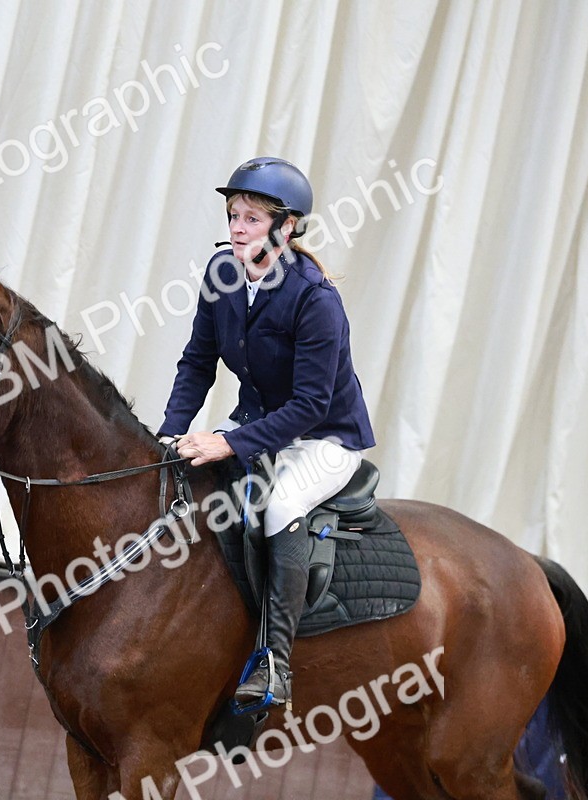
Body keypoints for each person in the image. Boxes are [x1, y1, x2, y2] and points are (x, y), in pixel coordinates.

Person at [158, 157, 376, 707]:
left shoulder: (315, 300)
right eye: (233, 215)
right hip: (256, 421)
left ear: (286, 227)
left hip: (324, 437)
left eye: (250, 218)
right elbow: (197, 362)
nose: (235, 227)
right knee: (189, 482)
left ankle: (273, 663)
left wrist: (226, 442)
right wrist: (170, 433)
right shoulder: (221, 277)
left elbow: (310, 404)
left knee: (279, 508)